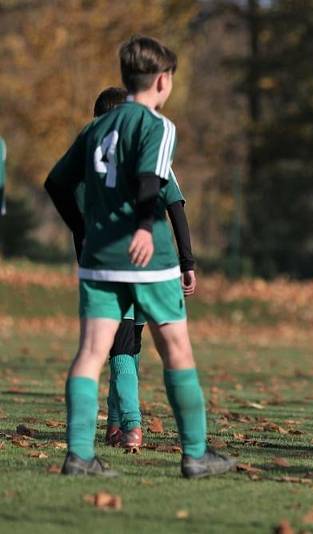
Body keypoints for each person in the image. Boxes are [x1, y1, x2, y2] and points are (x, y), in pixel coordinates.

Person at [44, 35, 233, 478]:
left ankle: (78, 454)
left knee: (92, 351)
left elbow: (55, 182)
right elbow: (152, 183)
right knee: (176, 350)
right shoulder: (157, 126)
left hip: (98, 256)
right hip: (150, 258)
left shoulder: (94, 129)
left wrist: (83, 228)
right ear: (163, 81)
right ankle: (195, 453)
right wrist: (145, 228)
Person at [76, 87, 197, 453]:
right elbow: (175, 206)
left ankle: (130, 425)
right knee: (130, 346)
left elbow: (80, 221)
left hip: (115, 266)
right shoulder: (152, 152)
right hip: (156, 266)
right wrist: (187, 261)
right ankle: (115, 423)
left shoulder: (92, 164)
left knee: (118, 349)